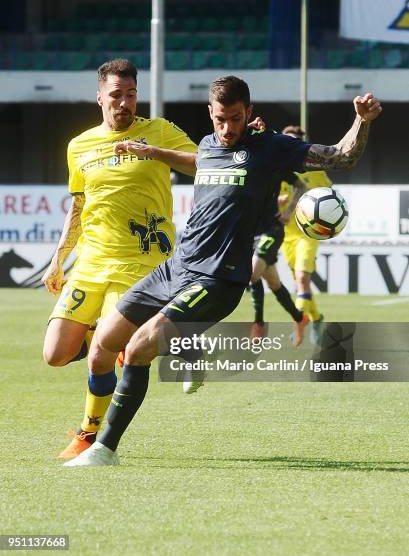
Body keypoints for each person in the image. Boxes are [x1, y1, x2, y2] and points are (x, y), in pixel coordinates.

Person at [63, 76, 381, 466]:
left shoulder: (270, 147)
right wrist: (151, 152)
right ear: (210, 115)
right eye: (219, 120)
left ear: (248, 113)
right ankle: (188, 350)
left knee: (139, 347)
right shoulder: (210, 144)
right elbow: (196, 161)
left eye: (234, 119)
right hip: (175, 267)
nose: (227, 129)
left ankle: (103, 449)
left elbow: (340, 156)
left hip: (218, 279)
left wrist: (361, 121)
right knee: (104, 343)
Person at [42, 58, 197, 459]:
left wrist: (158, 152)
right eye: (116, 95)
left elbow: (205, 163)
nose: (125, 103)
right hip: (90, 264)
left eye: (131, 95)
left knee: (106, 355)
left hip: (142, 264)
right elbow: (79, 205)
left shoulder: (159, 131)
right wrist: (59, 257)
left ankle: (88, 433)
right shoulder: (80, 146)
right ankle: (168, 337)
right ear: (100, 98)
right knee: (55, 354)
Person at [280, 125, 333, 345]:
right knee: (301, 284)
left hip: (308, 233)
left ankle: (298, 325)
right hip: (286, 236)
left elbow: (329, 195)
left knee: (302, 280)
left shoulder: (315, 170)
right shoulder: (277, 169)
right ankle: (317, 318)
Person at [249, 170, 308, 346]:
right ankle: (300, 318)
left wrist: (289, 210)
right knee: (274, 283)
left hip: (272, 230)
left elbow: (302, 186)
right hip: (252, 231)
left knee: (253, 274)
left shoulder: (274, 162)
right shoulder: (243, 163)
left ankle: (258, 323)